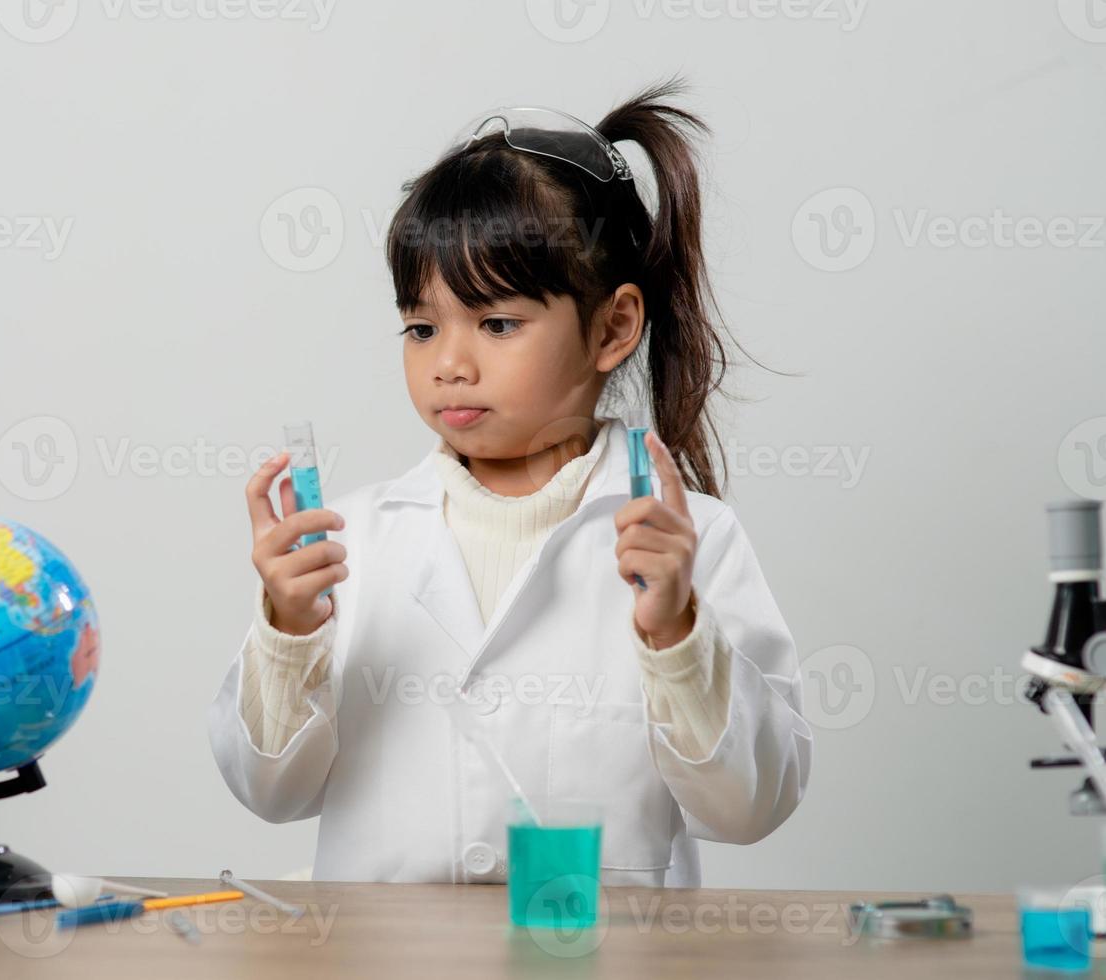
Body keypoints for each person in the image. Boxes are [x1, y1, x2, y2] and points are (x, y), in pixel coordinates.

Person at [208, 79, 812, 887]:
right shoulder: (350, 544)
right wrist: (288, 631)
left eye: (497, 323)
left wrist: (676, 633)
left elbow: (752, 806)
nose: (450, 364)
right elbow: (268, 790)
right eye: (422, 328)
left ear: (613, 328)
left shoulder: (686, 544)